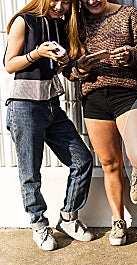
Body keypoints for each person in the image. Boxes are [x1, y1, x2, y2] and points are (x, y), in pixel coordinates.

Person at [63, 0, 137, 246]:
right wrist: (79, 70)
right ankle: (118, 221)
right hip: (94, 96)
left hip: (127, 91)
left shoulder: (129, 14)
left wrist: (131, 55)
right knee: (110, 164)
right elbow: (67, 69)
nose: (92, 1)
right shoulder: (75, 22)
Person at [4, 0, 94, 251]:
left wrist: (68, 62)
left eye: (65, 2)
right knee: (30, 173)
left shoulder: (61, 25)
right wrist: (35, 54)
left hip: (52, 104)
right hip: (24, 106)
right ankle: (38, 223)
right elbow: (9, 64)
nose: (59, 5)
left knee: (82, 160)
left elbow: (59, 70)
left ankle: (68, 217)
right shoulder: (24, 21)